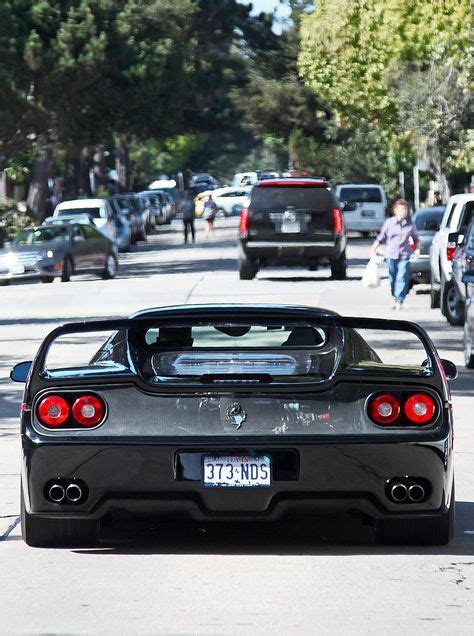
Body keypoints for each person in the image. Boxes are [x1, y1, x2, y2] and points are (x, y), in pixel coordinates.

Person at [370, 198, 419, 310]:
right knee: (393, 278)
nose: (403, 212)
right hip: (391, 255)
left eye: (405, 209)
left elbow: (416, 239)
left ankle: (399, 299)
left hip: (405, 255)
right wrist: (373, 248)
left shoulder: (410, 224)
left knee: (402, 277)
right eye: (401, 209)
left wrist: (417, 250)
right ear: (395, 210)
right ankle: (395, 295)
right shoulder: (389, 223)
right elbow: (381, 237)